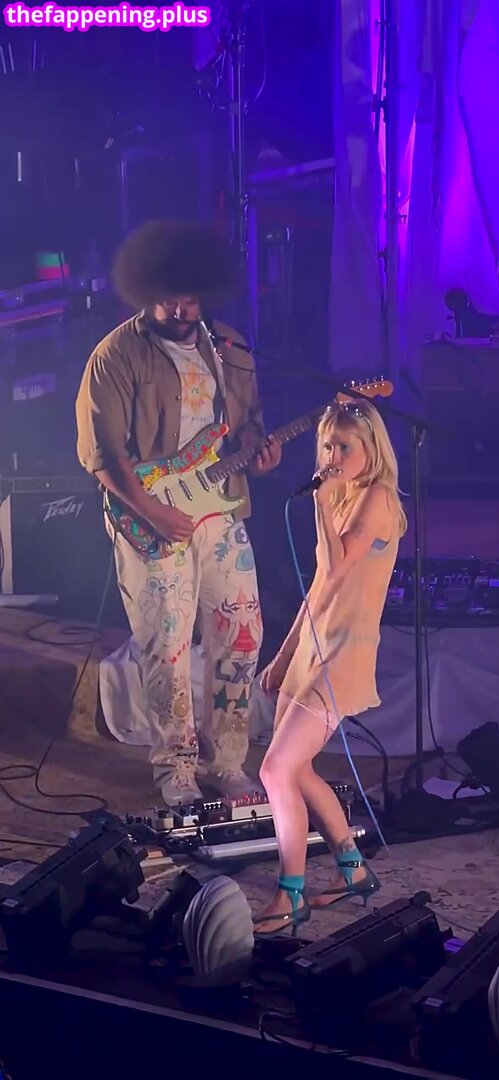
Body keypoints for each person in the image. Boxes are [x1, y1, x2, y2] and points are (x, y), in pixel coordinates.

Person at [75, 220, 281, 806]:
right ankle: (176, 769)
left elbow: (248, 427)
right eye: (167, 297)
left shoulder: (231, 348)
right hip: (149, 516)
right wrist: (153, 513)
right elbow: (102, 456)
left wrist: (261, 453)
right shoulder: (115, 355)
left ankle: (229, 761)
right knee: (165, 646)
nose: (178, 309)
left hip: (222, 511)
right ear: (146, 291)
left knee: (241, 635)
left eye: (189, 297)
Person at [254, 400, 407, 935]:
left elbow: (338, 563)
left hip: (344, 654)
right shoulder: (341, 497)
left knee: (275, 770)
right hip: (312, 649)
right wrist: (282, 656)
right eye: (327, 446)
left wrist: (320, 500)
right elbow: (319, 589)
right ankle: (353, 870)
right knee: (295, 769)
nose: (333, 456)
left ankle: (289, 894)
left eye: (344, 446)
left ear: (371, 449)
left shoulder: (378, 497)